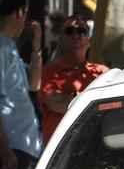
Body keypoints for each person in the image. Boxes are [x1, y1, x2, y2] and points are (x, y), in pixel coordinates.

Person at [0, 0, 43, 169]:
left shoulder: (9, 46)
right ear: (20, 12)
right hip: (13, 145)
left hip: (23, 144)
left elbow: (34, 84)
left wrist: (36, 48)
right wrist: (4, 148)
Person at [38, 15, 108, 144]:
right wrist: (94, 100)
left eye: (81, 31)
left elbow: (110, 106)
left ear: (89, 40)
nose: (76, 34)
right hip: (60, 153)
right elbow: (55, 103)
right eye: (69, 30)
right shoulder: (48, 72)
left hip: (94, 148)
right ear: (60, 39)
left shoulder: (102, 72)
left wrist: (72, 98)